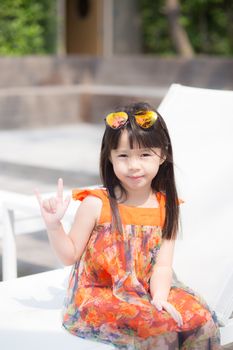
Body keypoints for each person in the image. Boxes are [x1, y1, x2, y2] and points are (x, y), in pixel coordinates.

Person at [36, 102, 221, 349]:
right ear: (110, 158)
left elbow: (163, 265)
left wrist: (159, 299)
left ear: (162, 155)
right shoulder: (95, 204)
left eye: (145, 154)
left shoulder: (167, 206)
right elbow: (69, 255)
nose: (134, 165)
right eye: (123, 155)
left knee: (199, 319)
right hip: (101, 293)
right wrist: (54, 226)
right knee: (157, 329)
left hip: (150, 289)